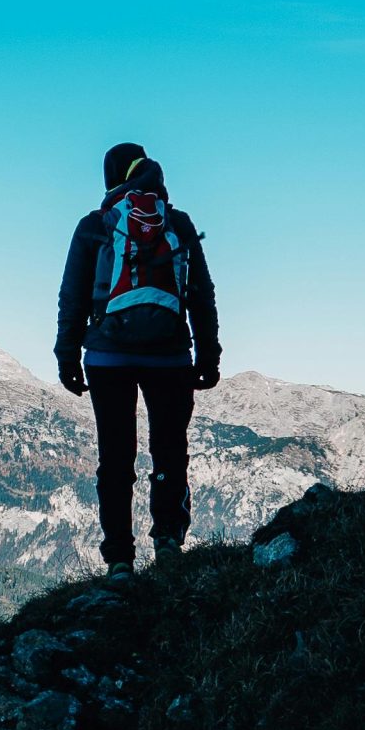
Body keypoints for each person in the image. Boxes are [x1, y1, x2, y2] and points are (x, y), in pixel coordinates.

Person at [54, 142, 220, 576]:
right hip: (170, 356)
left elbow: (72, 296)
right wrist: (208, 353)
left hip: (108, 357)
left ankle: (120, 561)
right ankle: (167, 540)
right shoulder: (178, 223)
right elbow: (201, 294)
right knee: (168, 451)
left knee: (116, 456)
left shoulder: (95, 225)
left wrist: (67, 356)